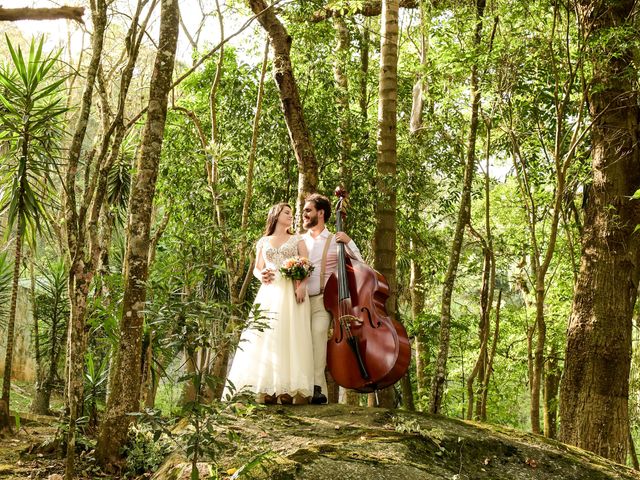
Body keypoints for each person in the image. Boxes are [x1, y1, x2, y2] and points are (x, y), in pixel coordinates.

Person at [223, 203, 314, 405]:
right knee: (269, 336)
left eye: (292, 214)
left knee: (290, 336)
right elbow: (257, 268)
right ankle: (269, 388)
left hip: (292, 291)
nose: (291, 216)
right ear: (276, 215)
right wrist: (260, 274)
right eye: (287, 213)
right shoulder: (263, 241)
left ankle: (288, 389)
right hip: (270, 292)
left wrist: (302, 286)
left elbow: (307, 265)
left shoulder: (298, 239)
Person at [301, 193, 363, 404]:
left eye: (308, 210)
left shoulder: (335, 240)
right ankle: (297, 390)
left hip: (321, 301)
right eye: (303, 210)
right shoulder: (298, 240)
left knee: (318, 337)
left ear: (321, 213)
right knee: (297, 342)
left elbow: (360, 265)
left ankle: (318, 390)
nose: (304, 214)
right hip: (297, 302)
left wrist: (350, 242)